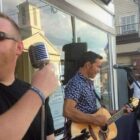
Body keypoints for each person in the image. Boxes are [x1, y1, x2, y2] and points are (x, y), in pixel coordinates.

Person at [0, 12, 58, 140]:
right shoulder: (37, 92)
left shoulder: (32, 91)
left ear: (19, 47)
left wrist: (38, 92)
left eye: (0, 36)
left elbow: (50, 137)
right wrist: (38, 92)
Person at [63, 51, 133, 140]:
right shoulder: (76, 83)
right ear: (88, 65)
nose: (99, 70)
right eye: (98, 66)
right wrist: (95, 120)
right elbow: (68, 111)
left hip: (93, 132)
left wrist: (118, 112)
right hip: (81, 134)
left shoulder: (88, 83)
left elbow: (93, 111)